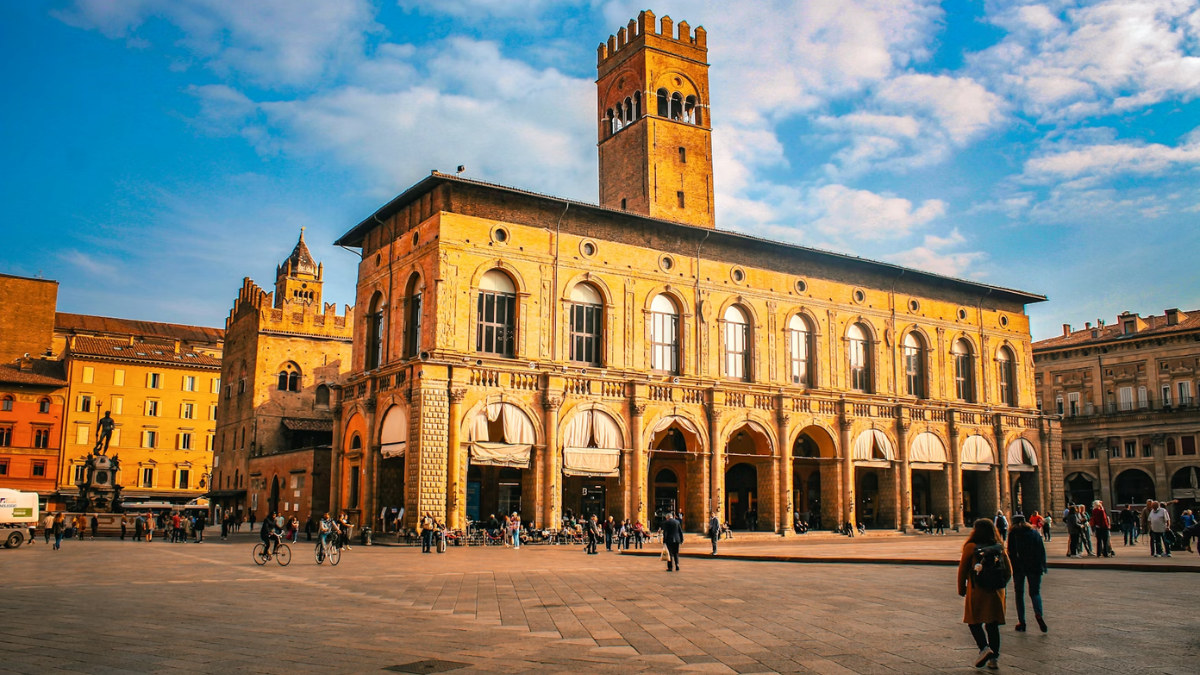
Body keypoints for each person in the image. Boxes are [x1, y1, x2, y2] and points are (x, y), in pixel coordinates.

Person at [957, 518, 1011, 669]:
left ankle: (984, 648)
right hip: (995, 591)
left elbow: (962, 571)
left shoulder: (971, 547)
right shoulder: (998, 547)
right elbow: (1008, 570)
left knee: (974, 622)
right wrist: (1000, 585)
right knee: (992, 625)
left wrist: (962, 589)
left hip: (977, 590)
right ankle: (994, 659)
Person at [1006, 515, 1048, 634]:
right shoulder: (1033, 533)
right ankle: (1038, 614)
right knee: (1035, 593)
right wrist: (1042, 566)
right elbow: (1041, 550)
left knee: (1019, 594)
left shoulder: (1013, 534)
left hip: (1019, 568)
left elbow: (1011, 552)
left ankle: (1022, 622)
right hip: (1034, 567)